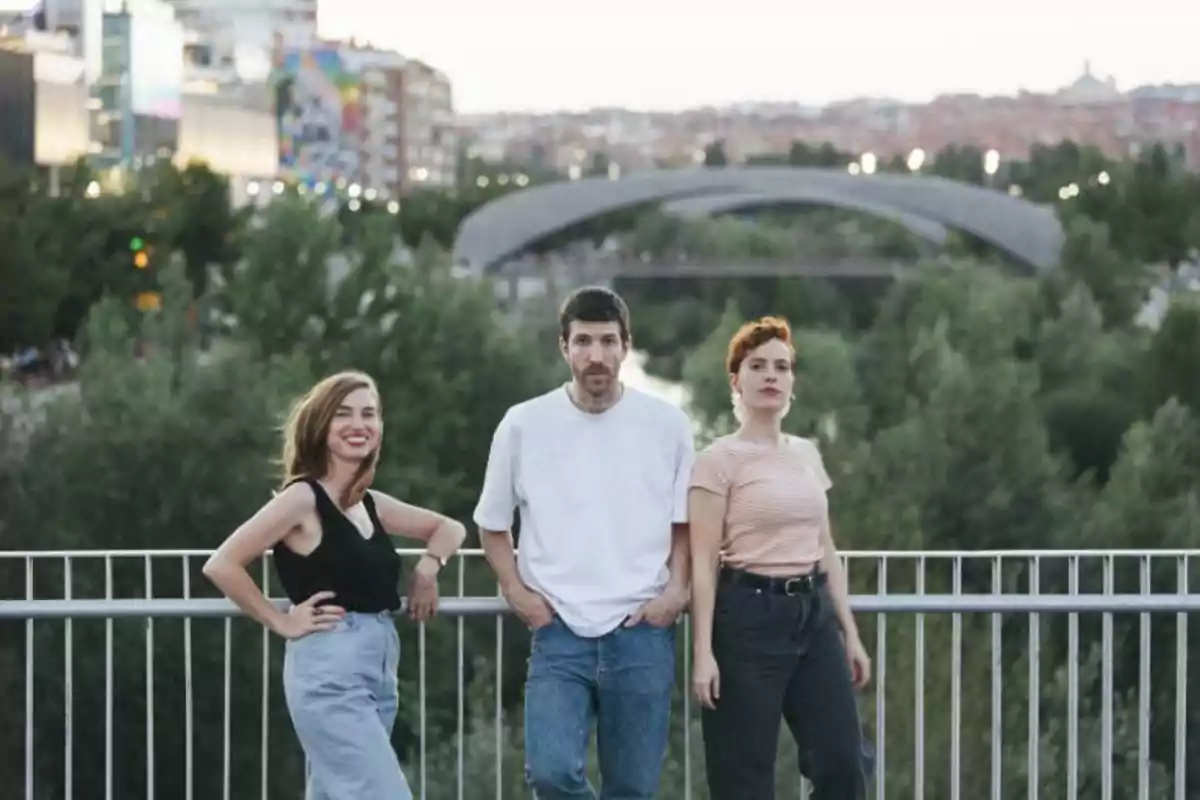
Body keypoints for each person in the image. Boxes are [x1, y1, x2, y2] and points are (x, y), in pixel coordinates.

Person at [473, 286, 694, 799]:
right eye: (583, 341)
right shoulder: (523, 424)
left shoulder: (667, 425)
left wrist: (676, 592)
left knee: (633, 789)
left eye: (608, 341)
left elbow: (685, 524)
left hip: (642, 630)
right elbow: (492, 523)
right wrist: (516, 591)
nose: (596, 355)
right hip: (559, 632)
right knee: (550, 772)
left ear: (626, 346)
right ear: (564, 347)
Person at [203, 370, 466, 800]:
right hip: (329, 669)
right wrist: (280, 621)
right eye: (343, 414)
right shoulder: (302, 499)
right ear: (321, 427)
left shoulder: (370, 503)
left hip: (378, 668)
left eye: (369, 414)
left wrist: (427, 570)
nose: (359, 424)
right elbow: (223, 564)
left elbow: (449, 528)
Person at [687, 317, 871, 800]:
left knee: (843, 764)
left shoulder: (807, 454)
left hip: (813, 617)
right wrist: (703, 653)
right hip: (747, 618)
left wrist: (850, 634)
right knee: (743, 777)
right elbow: (702, 563)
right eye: (758, 365)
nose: (771, 375)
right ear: (737, 380)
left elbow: (825, 548)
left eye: (782, 367)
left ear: (792, 381)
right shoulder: (717, 460)